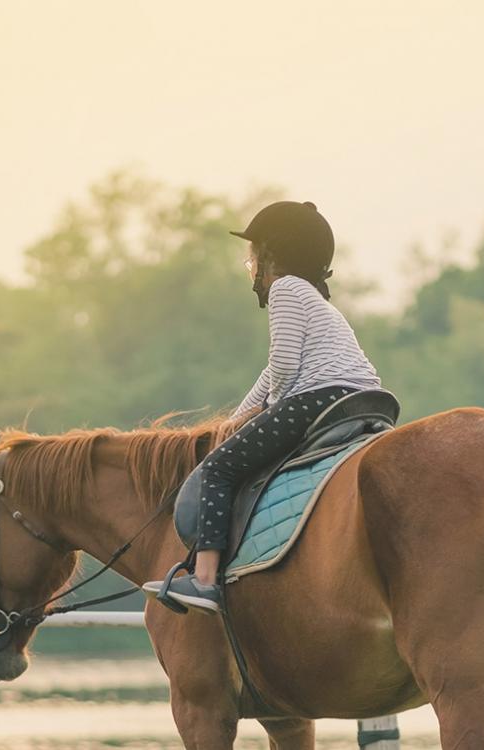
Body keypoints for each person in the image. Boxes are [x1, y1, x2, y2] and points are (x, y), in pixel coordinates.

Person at [143, 200, 382, 613]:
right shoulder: (318, 300)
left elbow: (285, 367)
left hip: (318, 398)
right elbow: (273, 370)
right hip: (358, 399)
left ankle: (205, 581)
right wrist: (239, 419)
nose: (250, 264)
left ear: (272, 253)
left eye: (253, 255)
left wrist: (271, 407)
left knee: (219, 467)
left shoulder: (287, 288)